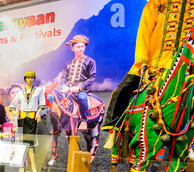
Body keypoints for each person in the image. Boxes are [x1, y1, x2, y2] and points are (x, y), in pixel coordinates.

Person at [102, 0, 194, 135]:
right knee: (120, 93)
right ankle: (116, 130)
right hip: (155, 63)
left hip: (187, 65)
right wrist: (142, 61)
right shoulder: (156, 4)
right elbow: (143, 34)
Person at [9, 71, 46, 172]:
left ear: (34, 79)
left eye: (31, 78)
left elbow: (42, 104)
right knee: (21, 143)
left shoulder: (38, 91)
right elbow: (12, 105)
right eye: (28, 78)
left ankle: (33, 168)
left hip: (32, 119)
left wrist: (38, 113)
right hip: (22, 119)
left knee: (30, 144)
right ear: (25, 79)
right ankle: (21, 166)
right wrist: (14, 111)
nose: (30, 80)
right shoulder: (20, 93)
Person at [60, 35, 96, 123]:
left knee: (82, 98)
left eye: (82, 46)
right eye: (78, 47)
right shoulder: (68, 64)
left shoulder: (90, 61)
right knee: (54, 98)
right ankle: (57, 124)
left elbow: (92, 77)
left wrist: (80, 87)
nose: (81, 49)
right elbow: (63, 77)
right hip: (68, 89)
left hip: (82, 90)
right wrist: (64, 86)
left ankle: (84, 119)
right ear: (72, 48)